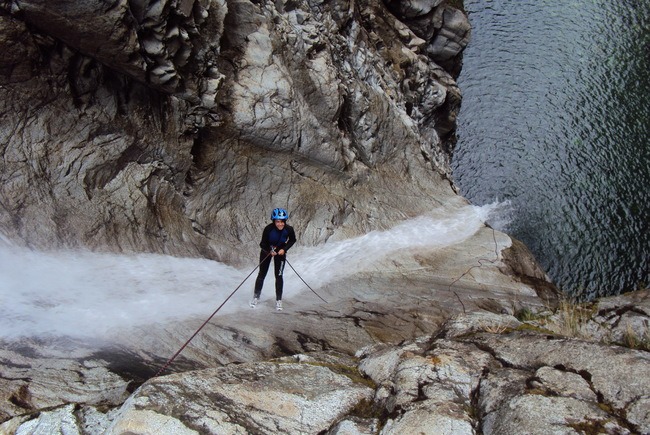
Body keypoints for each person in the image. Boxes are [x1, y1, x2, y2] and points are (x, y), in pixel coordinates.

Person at [250, 208, 296, 310]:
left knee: (279, 275)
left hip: (280, 252)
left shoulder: (289, 229)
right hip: (267, 251)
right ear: (274, 221)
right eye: (278, 221)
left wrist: (284, 249)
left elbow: (292, 240)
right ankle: (256, 297)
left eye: (282, 221)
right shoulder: (268, 229)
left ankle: (279, 300)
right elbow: (262, 243)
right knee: (262, 274)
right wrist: (269, 251)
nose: (280, 224)